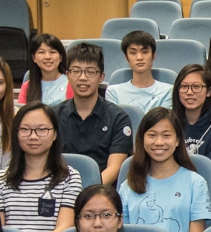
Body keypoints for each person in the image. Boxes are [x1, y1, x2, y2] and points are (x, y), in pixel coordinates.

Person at [0, 101, 82, 232]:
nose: (33, 136)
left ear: (54, 134)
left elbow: (64, 228)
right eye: (25, 130)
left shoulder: (69, 177)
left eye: (42, 129)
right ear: (16, 134)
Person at [120, 105, 211, 232]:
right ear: (142, 139)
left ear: (177, 140)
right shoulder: (128, 185)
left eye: (166, 135)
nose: (159, 142)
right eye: (152, 135)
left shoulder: (196, 182)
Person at [54, 41, 134, 184]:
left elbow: (115, 167)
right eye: (76, 71)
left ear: (101, 77)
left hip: (101, 191)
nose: (83, 78)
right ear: (67, 75)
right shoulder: (54, 116)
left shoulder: (118, 118)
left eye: (90, 72)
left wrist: (88, 192)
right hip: (61, 188)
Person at [172, 63, 211, 196]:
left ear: (209, 91)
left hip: (209, 192)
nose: (189, 92)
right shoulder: (169, 124)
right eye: (184, 87)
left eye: (196, 87)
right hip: (171, 188)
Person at [106, 29, 172, 119]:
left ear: (153, 56)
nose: (139, 57)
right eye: (133, 53)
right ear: (126, 58)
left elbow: (164, 123)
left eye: (144, 52)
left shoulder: (168, 91)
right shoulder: (113, 92)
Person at [19, 32, 69, 107]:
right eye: (41, 52)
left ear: (61, 57)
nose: (47, 57)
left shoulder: (71, 83)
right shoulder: (27, 87)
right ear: (34, 58)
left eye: (52, 52)